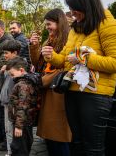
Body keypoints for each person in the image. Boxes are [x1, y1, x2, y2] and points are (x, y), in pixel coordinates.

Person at [42, 0, 116, 156]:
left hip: (96, 95)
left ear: (86, 5)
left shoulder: (110, 25)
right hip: (72, 91)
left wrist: (84, 59)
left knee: (93, 148)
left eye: (74, 9)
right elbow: (65, 60)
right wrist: (51, 56)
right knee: (76, 143)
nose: (72, 14)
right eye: (71, 10)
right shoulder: (75, 29)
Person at [29, 8, 71, 156]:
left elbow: (66, 66)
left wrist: (43, 80)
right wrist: (34, 46)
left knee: (58, 135)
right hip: (47, 90)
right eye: (46, 25)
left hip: (58, 93)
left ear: (59, 23)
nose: (47, 28)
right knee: (49, 136)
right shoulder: (49, 40)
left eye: (49, 24)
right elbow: (38, 63)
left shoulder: (68, 39)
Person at [6, 57, 42, 156]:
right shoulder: (22, 82)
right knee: (18, 147)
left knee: (20, 149)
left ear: (21, 70)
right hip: (23, 123)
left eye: (12, 74)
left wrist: (18, 126)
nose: (12, 77)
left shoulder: (23, 85)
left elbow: (23, 107)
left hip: (22, 124)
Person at [0, 40, 21, 155]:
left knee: (11, 129)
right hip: (7, 103)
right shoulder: (9, 66)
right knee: (8, 129)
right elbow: (3, 85)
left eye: (6, 53)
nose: (4, 55)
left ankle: (12, 152)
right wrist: (1, 73)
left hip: (13, 104)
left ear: (15, 53)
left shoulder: (19, 67)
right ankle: (10, 151)